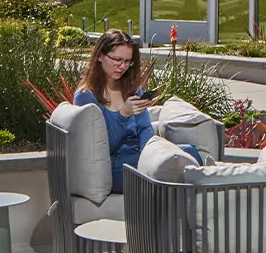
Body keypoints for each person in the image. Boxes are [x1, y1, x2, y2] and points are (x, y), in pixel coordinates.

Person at [73, 31, 201, 184]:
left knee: (189, 152)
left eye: (127, 61)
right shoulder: (86, 96)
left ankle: (196, 202)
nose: (122, 66)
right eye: (117, 60)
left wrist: (150, 155)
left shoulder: (131, 89)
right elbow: (103, 148)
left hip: (137, 154)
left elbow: (144, 128)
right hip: (113, 163)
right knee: (173, 169)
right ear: (100, 56)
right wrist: (123, 115)